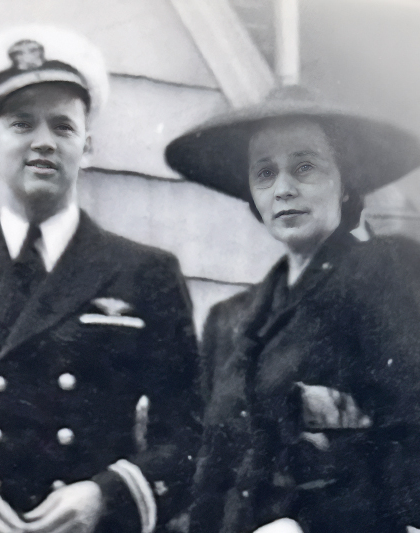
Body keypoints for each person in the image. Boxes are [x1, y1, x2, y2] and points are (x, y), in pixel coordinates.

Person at [0, 25, 202, 533]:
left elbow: (187, 436)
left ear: (87, 147)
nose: (43, 142)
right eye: (22, 125)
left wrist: (106, 495)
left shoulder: (145, 273)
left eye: (62, 127)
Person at [165, 85, 420, 533]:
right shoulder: (229, 320)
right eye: (264, 173)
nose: (283, 189)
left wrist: (310, 526)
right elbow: (208, 473)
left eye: (305, 167)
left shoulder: (385, 273)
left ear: (345, 184)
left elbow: (410, 435)